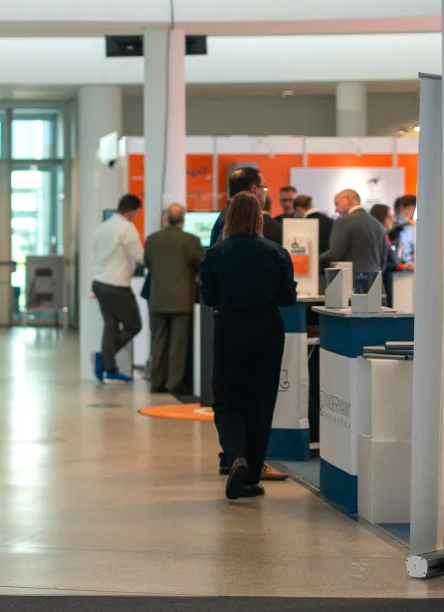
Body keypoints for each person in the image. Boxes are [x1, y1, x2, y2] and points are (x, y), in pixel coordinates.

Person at [201, 191, 298, 501]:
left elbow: (210, 298)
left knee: (227, 400)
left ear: (229, 217)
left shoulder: (216, 254)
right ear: (260, 218)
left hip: (230, 329)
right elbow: (287, 299)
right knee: (261, 402)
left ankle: (236, 456)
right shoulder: (278, 253)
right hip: (268, 330)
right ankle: (252, 477)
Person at [142, 202, 203, 394]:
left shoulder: (152, 240)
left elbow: (147, 263)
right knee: (178, 343)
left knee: (158, 340)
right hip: (182, 299)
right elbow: (202, 263)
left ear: (167, 218)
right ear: (183, 220)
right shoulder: (192, 240)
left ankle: (156, 382)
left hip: (158, 298)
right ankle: (173, 383)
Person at [91, 193, 145, 384]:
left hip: (99, 283)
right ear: (131, 211)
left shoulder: (102, 228)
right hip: (117, 284)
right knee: (134, 325)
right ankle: (104, 358)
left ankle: (110, 369)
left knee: (111, 325)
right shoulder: (127, 228)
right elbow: (140, 255)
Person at [321, 189, 392, 276]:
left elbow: (335, 253)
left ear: (348, 199)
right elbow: (384, 258)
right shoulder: (377, 224)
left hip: (350, 281)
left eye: (337, 204)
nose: (336, 209)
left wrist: (314, 264)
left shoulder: (342, 221)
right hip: (375, 281)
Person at [389, 194, 416, 267]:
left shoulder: (392, 224)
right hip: (405, 265)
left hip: (397, 265)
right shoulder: (407, 227)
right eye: (413, 208)